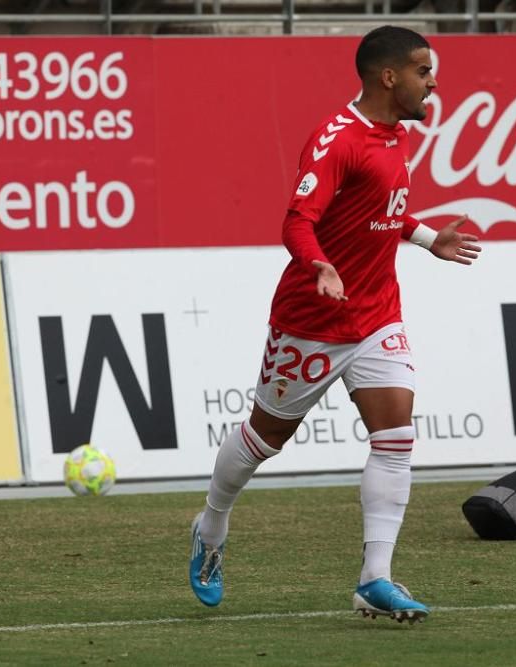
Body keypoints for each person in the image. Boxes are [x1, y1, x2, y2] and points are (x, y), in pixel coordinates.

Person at [189, 25, 482, 620]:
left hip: (376, 314)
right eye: (425, 71)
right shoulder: (336, 140)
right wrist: (320, 265)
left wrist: (427, 239)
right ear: (390, 76)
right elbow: (297, 221)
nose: (435, 81)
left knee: (396, 434)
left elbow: (382, 210)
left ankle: (376, 577)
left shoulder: (395, 136)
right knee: (262, 440)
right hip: (313, 318)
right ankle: (211, 524)